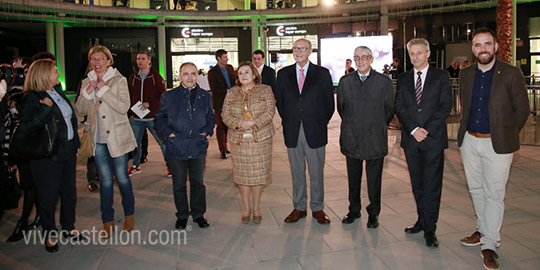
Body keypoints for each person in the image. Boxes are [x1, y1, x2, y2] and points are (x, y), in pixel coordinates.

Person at [457, 28, 529, 270]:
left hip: (497, 144)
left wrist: (504, 134)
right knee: (476, 190)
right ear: (473, 49)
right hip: (470, 141)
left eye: (488, 44)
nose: (483, 49)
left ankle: (490, 243)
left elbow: (522, 110)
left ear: (496, 47)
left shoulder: (510, 73)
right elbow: (465, 106)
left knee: (494, 194)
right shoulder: (466, 75)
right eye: (478, 45)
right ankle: (483, 229)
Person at [18, 59, 83, 252]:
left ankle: (69, 227)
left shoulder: (58, 91)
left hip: (67, 151)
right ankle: (49, 233)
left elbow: (68, 119)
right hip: (46, 156)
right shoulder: (32, 97)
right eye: (55, 71)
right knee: (48, 197)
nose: (59, 74)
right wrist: (45, 108)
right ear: (44, 74)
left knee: (69, 192)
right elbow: (26, 127)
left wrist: (75, 144)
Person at [74, 45, 137, 238]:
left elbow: (124, 106)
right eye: (93, 59)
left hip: (117, 138)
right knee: (106, 181)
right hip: (98, 139)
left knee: (123, 177)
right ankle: (107, 220)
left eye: (101, 59)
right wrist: (87, 92)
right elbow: (80, 111)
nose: (97, 63)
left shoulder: (119, 80)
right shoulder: (87, 81)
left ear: (109, 61)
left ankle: (129, 214)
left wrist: (103, 90)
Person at [395, 38, 452, 248]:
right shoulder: (403, 78)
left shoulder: (441, 76)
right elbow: (399, 106)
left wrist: (425, 130)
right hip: (411, 141)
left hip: (433, 140)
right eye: (412, 54)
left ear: (428, 53)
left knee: (432, 186)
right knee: (417, 184)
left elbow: (445, 106)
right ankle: (421, 220)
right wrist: (413, 129)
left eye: (419, 52)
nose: (415, 57)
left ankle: (430, 228)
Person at [275, 38, 335, 224]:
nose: (299, 51)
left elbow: (329, 105)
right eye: (296, 48)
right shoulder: (283, 74)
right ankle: (299, 207)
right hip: (293, 129)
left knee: (317, 172)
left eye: (303, 48)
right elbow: (281, 102)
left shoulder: (322, 74)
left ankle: (318, 208)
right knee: (297, 171)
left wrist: (318, 122)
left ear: (310, 51)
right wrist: (290, 119)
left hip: (315, 130)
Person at [337, 46, 394, 228]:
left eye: (364, 57)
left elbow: (389, 110)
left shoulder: (383, 82)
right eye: (357, 58)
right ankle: (354, 210)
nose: (360, 61)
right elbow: (342, 109)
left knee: (374, 181)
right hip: (351, 138)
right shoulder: (345, 82)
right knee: (353, 180)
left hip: (374, 138)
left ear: (371, 59)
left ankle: (373, 213)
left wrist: (374, 124)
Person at [154, 62, 215, 230]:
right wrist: (168, 134)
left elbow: (211, 116)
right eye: (186, 74)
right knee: (179, 184)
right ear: (180, 75)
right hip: (177, 147)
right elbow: (159, 118)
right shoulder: (169, 96)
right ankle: (182, 215)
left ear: (198, 75)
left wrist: (207, 131)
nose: (190, 77)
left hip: (197, 147)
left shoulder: (205, 96)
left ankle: (198, 214)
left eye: (193, 74)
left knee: (198, 183)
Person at [222, 61, 275, 224]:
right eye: (240, 73)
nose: (243, 75)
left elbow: (270, 111)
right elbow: (225, 114)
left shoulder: (265, 90)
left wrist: (253, 122)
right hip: (239, 142)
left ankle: (257, 207)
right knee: (243, 176)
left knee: (258, 176)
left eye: (246, 72)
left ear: (254, 74)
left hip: (260, 140)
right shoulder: (231, 93)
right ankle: (246, 207)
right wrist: (238, 124)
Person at [127, 51, 168, 177]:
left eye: (143, 58)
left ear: (148, 61)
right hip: (136, 118)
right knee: (135, 143)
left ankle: (170, 165)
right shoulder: (133, 78)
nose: (140, 61)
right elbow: (128, 96)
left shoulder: (155, 77)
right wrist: (130, 113)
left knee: (162, 142)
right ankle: (135, 166)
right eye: (138, 58)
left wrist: (151, 104)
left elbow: (163, 95)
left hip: (153, 117)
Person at [208, 49, 236, 159]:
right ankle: (222, 150)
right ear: (218, 58)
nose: (227, 59)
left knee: (229, 126)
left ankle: (225, 145)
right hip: (220, 103)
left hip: (232, 102)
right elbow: (214, 89)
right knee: (220, 126)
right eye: (225, 57)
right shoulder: (212, 72)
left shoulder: (230, 68)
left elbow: (234, 82)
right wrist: (228, 91)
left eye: (227, 56)